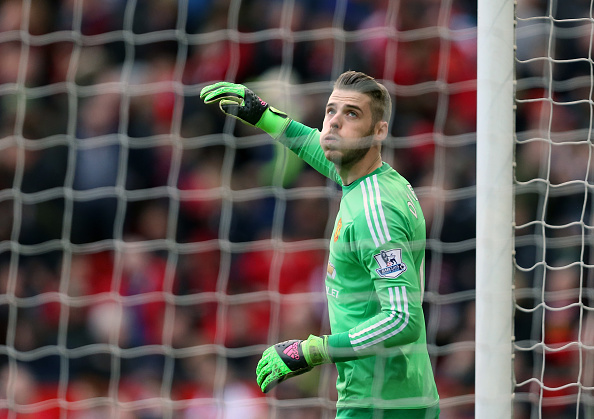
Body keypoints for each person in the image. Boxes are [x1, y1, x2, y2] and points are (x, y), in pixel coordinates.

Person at [201, 71, 440, 419]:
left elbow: (403, 320)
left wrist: (313, 350)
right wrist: (263, 116)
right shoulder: (374, 180)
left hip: (380, 403)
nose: (334, 124)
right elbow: (320, 149)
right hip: (401, 395)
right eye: (331, 111)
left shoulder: (375, 213)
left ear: (379, 132)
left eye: (352, 114)